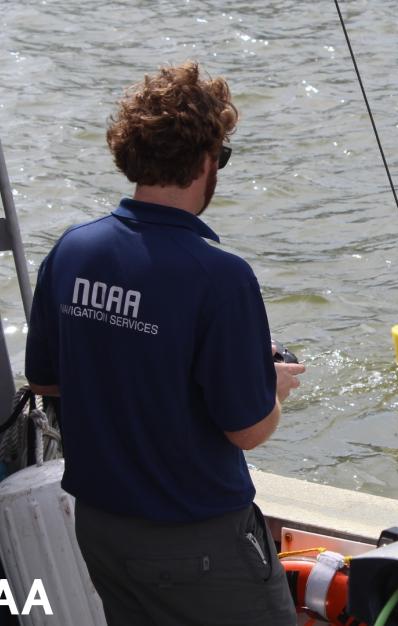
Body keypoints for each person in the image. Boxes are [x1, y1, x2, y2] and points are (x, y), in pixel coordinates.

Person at [24, 61, 304, 626]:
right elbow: (247, 430)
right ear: (206, 161)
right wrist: (271, 388)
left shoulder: (73, 251)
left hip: (103, 528)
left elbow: (45, 381)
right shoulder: (221, 276)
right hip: (197, 539)